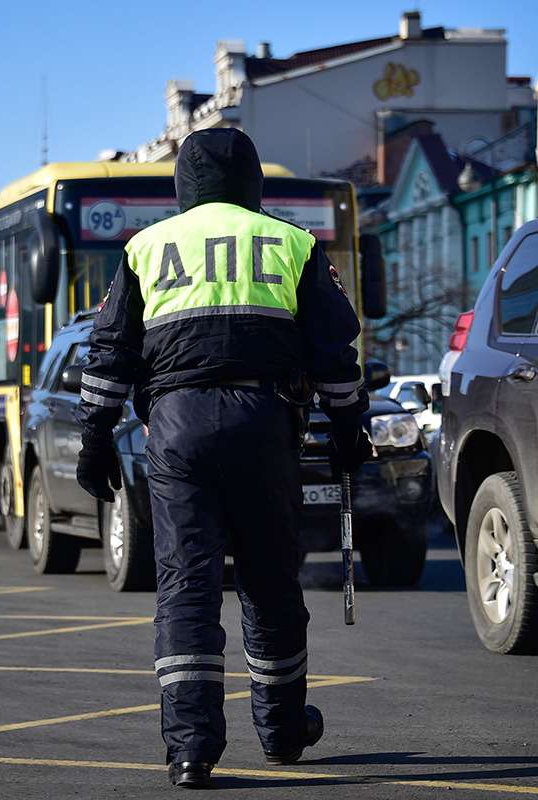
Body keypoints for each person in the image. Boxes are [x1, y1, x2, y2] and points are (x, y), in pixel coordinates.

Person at [75, 128, 372, 789]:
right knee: (269, 583)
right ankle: (282, 731)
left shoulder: (145, 248)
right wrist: (352, 430)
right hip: (265, 423)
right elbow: (334, 356)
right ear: (254, 183)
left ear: (183, 184)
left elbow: (109, 355)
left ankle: (190, 750)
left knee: (187, 588)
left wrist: (95, 438)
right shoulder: (292, 244)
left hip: (176, 429)